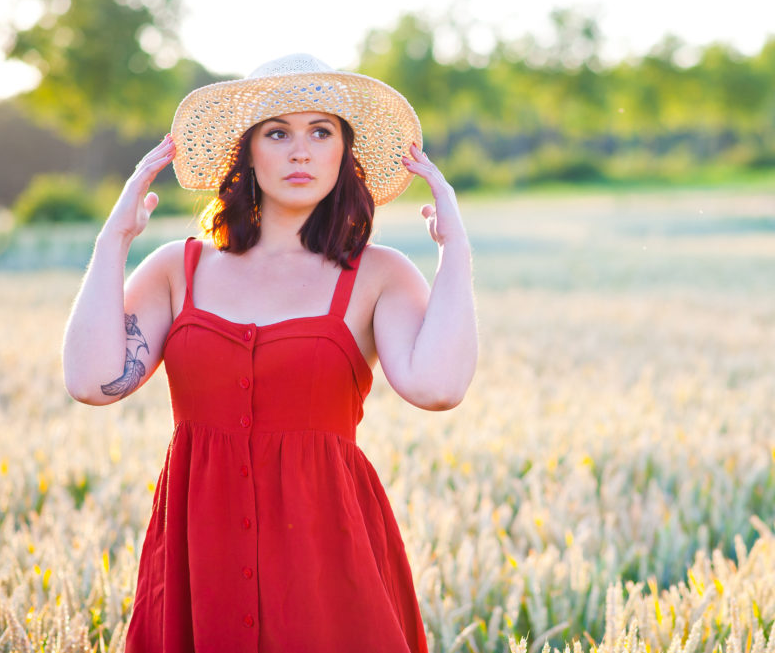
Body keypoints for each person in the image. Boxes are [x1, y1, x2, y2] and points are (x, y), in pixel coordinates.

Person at [62, 53, 477, 653]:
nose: (300, 151)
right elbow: (91, 380)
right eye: (277, 133)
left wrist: (455, 249)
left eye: (321, 132)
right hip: (200, 549)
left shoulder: (378, 274)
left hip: (327, 554)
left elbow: (437, 387)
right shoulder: (178, 269)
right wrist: (113, 240)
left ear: (344, 152)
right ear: (248, 152)